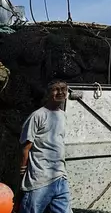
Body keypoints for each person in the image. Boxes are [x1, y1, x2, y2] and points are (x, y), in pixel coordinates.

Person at [18, 79, 71, 213]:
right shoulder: (37, 116)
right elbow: (26, 148)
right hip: (39, 179)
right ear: (48, 93)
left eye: (63, 89)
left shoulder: (63, 116)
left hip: (60, 177)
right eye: (56, 89)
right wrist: (23, 172)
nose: (60, 92)